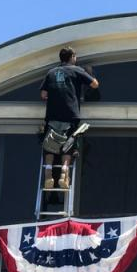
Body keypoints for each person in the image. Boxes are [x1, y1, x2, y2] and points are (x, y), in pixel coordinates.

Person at [40, 46, 99, 189]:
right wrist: (89, 73)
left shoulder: (51, 72)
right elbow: (95, 84)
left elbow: (43, 94)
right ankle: (64, 173)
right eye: (75, 56)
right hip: (70, 114)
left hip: (53, 114)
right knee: (69, 144)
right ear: (72, 57)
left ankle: (48, 173)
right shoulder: (77, 70)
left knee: (50, 144)